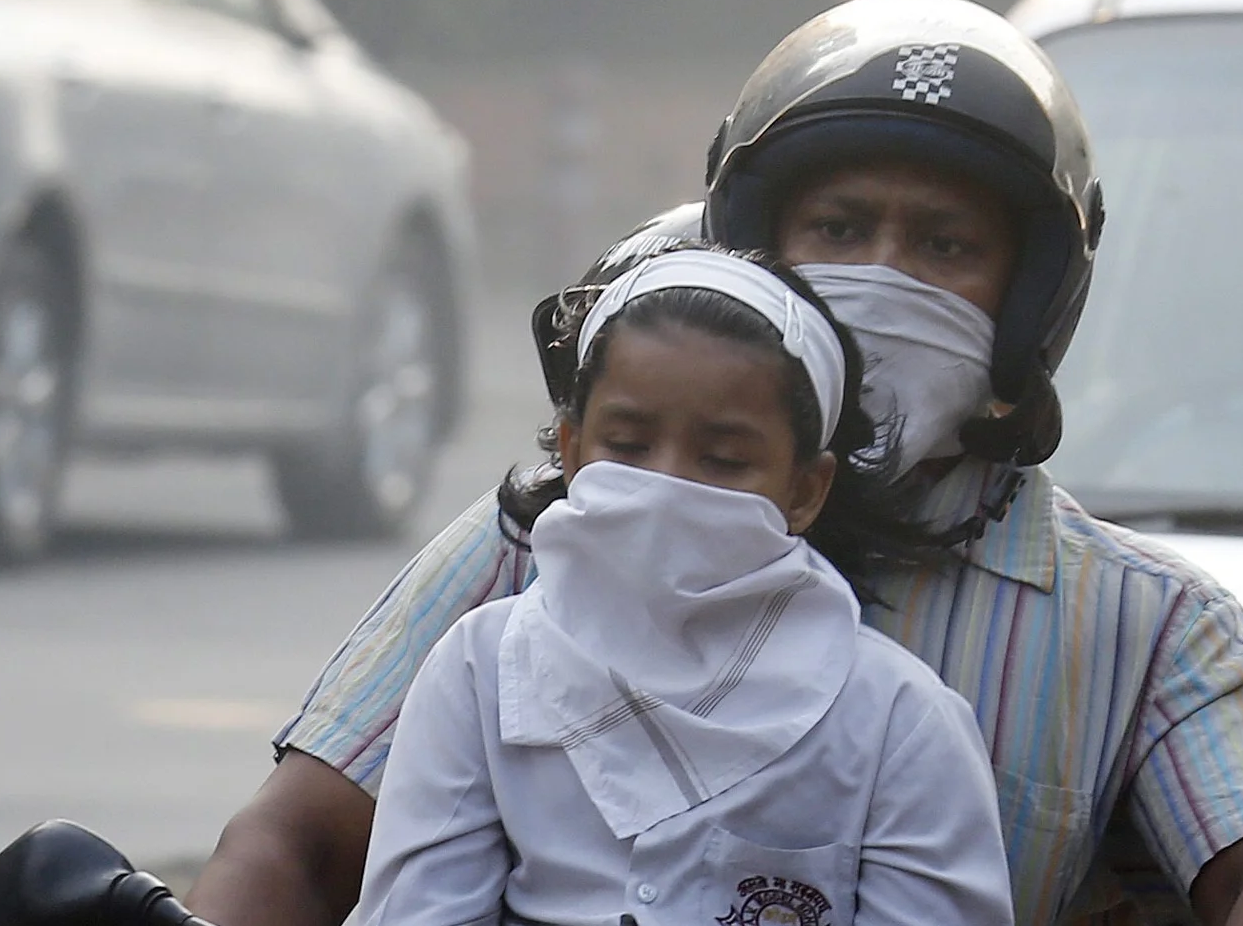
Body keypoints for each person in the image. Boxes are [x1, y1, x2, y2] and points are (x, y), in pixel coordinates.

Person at [187, 0, 1243, 926]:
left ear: (1024, 304)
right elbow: (299, 839)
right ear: (756, 255)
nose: (884, 274)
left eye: (945, 243)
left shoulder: (1146, 627)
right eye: (841, 230)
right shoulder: (559, 527)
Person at [352, 245, 1012, 926]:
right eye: (629, 446)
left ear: (805, 489)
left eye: (724, 459)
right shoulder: (482, 670)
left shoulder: (897, 721)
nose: (666, 483)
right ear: (573, 450)